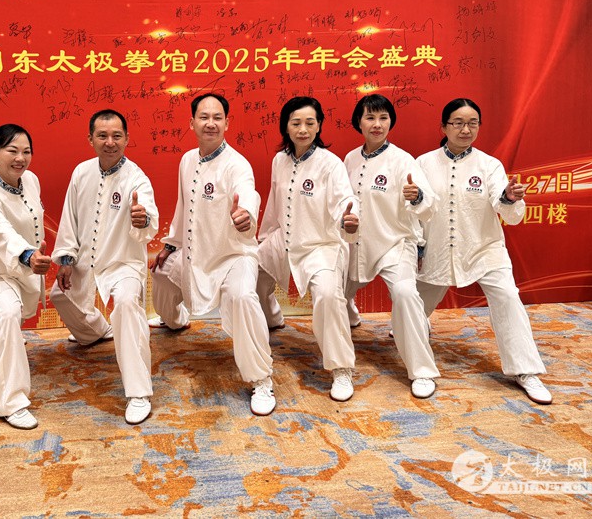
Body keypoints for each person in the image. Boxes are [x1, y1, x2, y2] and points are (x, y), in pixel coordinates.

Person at [416, 98, 551, 404]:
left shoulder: (490, 165)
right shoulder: (423, 163)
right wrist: (418, 245)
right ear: (443, 127)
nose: (466, 129)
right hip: (437, 248)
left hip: (484, 249)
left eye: (472, 123)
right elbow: (416, 209)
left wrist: (509, 197)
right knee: (411, 310)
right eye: (458, 123)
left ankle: (525, 371)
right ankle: (420, 367)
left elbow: (507, 211)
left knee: (508, 296)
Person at [150, 92, 275, 415]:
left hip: (234, 256)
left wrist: (246, 215)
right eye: (204, 117)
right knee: (161, 273)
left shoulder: (237, 164)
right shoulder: (187, 160)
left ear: (227, 123)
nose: (210, 123)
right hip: (197, 254)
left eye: (217, 117)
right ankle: (174, 321)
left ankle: (261, 379)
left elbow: (248, 193)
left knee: (243, 297)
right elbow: (184, 207)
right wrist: (171, 244)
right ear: (191, 123)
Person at [49, 109, 158, 424]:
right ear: (91, 139)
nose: (110, 142)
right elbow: (70, 219)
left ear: (126, 138)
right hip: (86, 260)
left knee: (125, 304)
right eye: (102, 136)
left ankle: (139, 392)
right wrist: (66, 259)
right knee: (59, 295)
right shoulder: (81, 172)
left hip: (123, 263)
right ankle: (94, 331)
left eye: (116, 136)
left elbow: (148, 216)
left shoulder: (136, 178)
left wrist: (142, 219)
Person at [255, 96, 361, 402]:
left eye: (309, 123)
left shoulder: (330, 163)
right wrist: (264, 238)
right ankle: (272, 317)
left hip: (321, 244)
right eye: (296, 123)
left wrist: (349, 219)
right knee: (248, 275)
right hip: (283, 238)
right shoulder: (279, 160)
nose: (303, 130)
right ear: (286, 127)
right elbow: (274, 203)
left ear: (319, 126)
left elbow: (345, 202)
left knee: (327, 295)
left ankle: (341, 369)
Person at [343, 95, 441, 399]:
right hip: (355, 244)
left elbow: (430, 204)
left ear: (391, 122)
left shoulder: (403, 160)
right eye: (370, 118)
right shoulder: (349, 159)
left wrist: (416, 196)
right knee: (334, 293)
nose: (377, 124)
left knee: (405, 293)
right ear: (359, 122)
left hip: (394, 243)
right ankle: (350, 315)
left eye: (383, 118)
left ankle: (422, 370)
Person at [0, 124, 52, 430]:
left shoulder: (31, 180)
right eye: (12, 151)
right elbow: (2, 233)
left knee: (12, 317)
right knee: (8, 312)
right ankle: (12, 403)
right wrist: (29, 255)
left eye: (26, 151)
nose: (20, 158)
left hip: (26, 270)